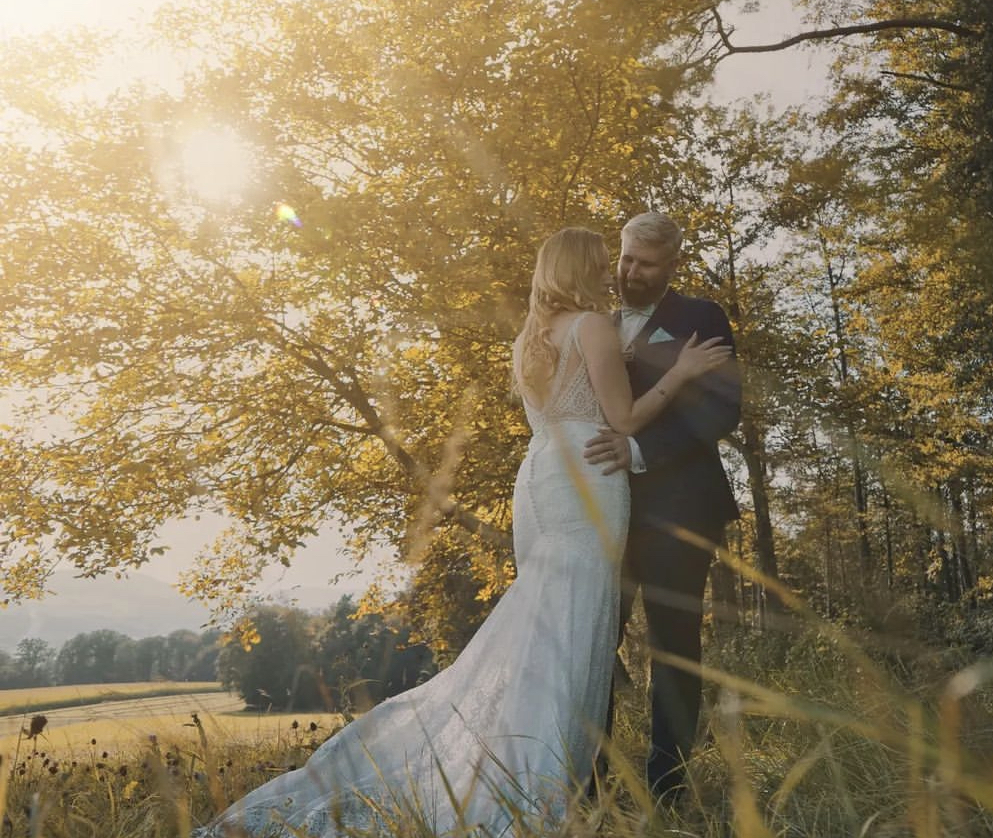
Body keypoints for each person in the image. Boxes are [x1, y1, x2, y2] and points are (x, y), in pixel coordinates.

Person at [194, 227, 730, 837]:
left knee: (547, 626)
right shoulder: (594, 326)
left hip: (539, 479)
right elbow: (625, 418)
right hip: (588, 477)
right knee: (575, 627)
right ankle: (541, 779)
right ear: (582, 269)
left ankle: (547, 772)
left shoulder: (527, 339)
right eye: (607, 262)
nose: (614, 271)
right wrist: (680, 370)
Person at [583, 212, 741, 802]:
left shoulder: (701, 318)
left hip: (681, 507)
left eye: (646, 265)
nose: (631, 272)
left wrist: (640, 450)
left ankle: (668, 787)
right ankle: (590, 780)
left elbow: (723, 412)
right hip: (601, 508)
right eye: (626, 259)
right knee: (595, 639)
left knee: (674, 646)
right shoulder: (593, 323)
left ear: (672, 264)